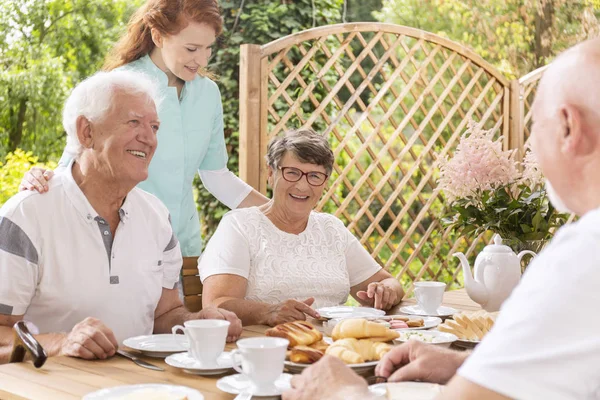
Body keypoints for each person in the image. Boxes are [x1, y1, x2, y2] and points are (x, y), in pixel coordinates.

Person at [282, 37, 600, 400]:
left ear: (568, 128)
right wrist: (464, 367)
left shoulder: (585, 254)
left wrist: (341, 393)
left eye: (534, 127)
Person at [0, 71, 241, 364]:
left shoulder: (156, 216)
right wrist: (61, 343)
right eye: (134, 122)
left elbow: (164, 314)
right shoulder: (25, 216)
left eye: (154, 127)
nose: (150, 139)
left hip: (140, 386)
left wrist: (198, 322)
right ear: (86, 132)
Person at [19, 0, 268, 262]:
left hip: (182, 247)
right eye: (192, 48)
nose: (203, 59)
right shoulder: (118, 85)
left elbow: (216, 176)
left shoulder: (208, 93)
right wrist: (41, 178)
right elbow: (77, 161)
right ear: (158, 36)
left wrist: (279, 213)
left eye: (208, 48)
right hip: (118, 244)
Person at [199, 129, 404, 327]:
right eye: (292, 173)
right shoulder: (239, 226)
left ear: (324, 182)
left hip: (334, 345)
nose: (302, 186)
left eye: (314, 176)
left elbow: (388, 282)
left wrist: (385, 291)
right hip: (268, 347)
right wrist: (267, 312)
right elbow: (216, 303)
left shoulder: (331, 228)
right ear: (271, 173)